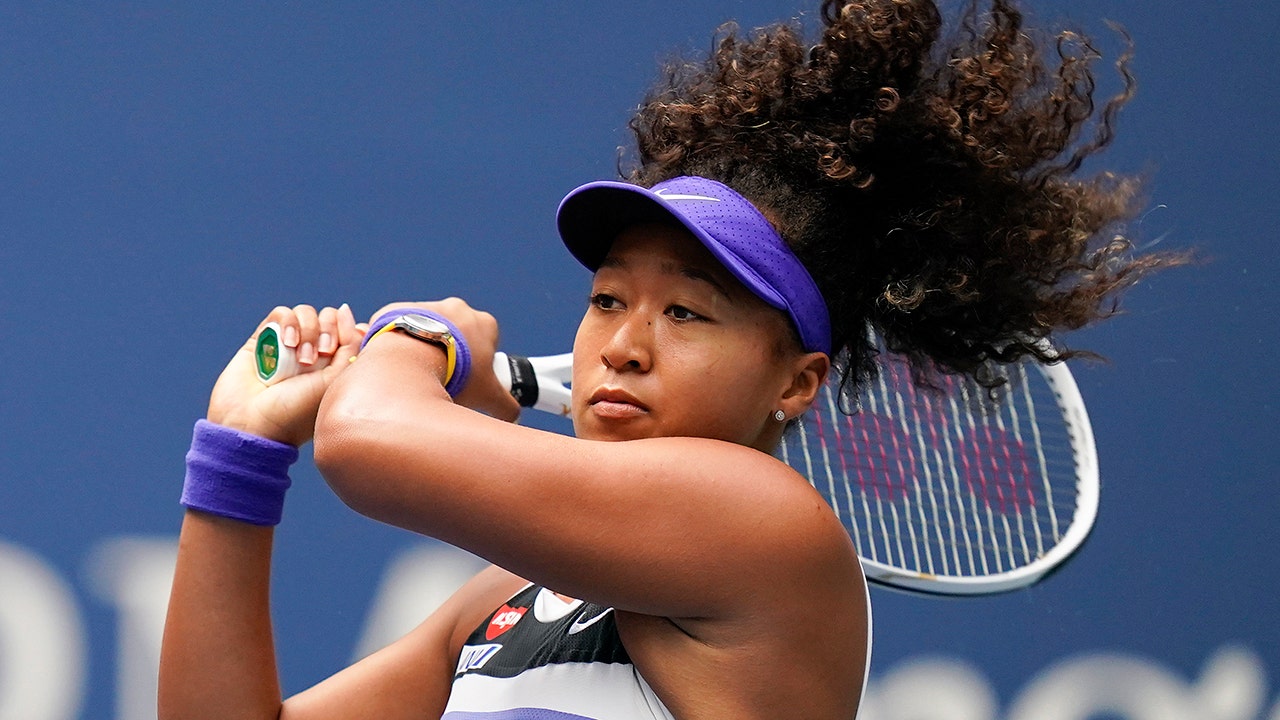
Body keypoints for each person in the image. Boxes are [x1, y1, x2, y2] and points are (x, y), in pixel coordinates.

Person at [159, 1, 1178, 718]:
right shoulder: (507, 598)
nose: (624, 345)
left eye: (687, 314)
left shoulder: (763, 530)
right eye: (608, 299)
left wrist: (420, 336)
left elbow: (367, 441)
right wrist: (238, 450)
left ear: (796, 381)